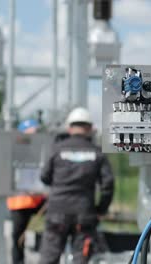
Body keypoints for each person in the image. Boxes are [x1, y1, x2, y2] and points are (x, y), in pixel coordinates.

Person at [39, 107, 114, 264]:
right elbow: (108, 184)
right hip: (84, 213)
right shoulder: (97, 152)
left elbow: (44, 177)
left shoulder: (57, 149)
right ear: (90, 129)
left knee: (49, 258)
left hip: (57, 212)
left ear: (69, 127)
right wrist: (101, 209)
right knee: (81, 259)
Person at [7, 119, 47, 264]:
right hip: (20, 200)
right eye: (31, 133)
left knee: (56, 223)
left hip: (39, 198)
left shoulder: (41, 151)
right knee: (18, 236)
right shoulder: (13, 151)